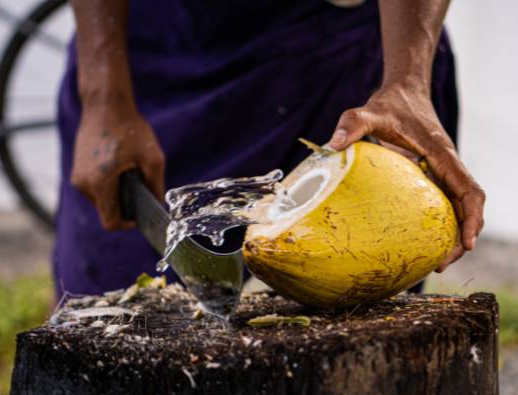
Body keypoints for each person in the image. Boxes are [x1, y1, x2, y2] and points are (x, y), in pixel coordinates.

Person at [55, 0, 485, 298]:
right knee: (112, 308)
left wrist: (407, 82)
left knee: (360, 334)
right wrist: (104, 96)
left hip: (346, 45)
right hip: (147, 44)